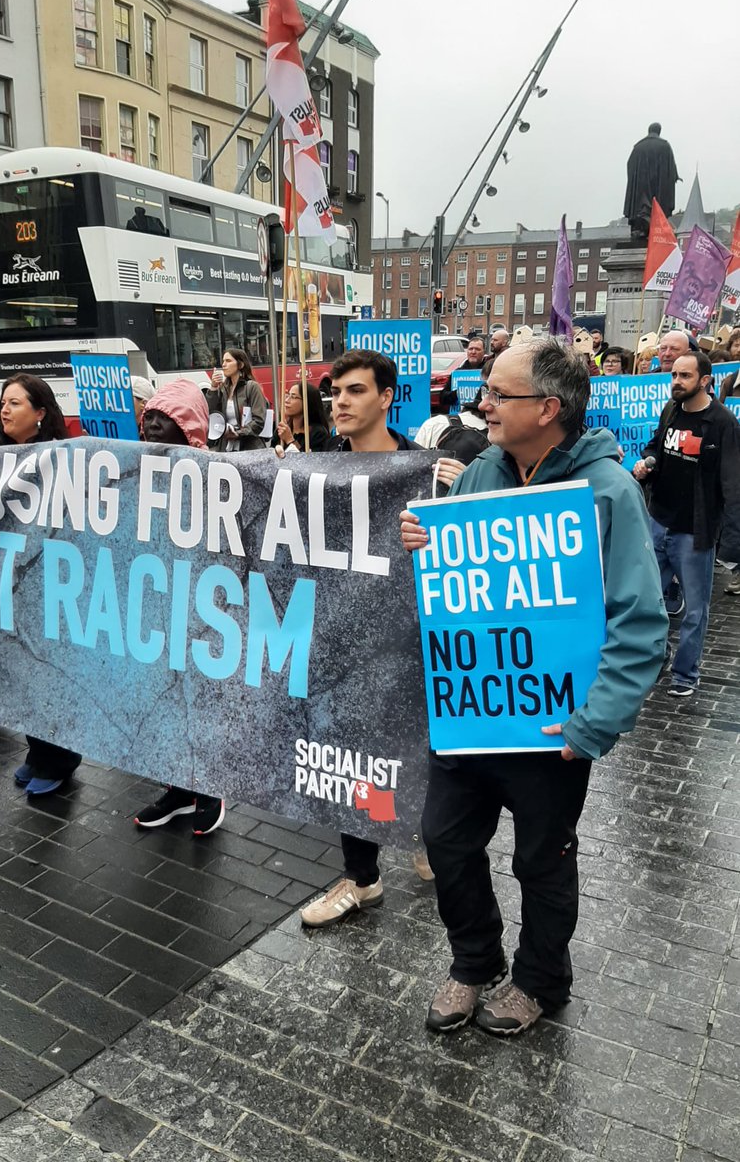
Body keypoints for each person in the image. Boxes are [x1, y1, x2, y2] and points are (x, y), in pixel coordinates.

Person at [400, 338, 667, 1037]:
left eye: (498, 393)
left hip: (552, 729)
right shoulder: (479, 474)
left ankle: (540, 980)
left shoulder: (608, 492)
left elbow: (641, 624)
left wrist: (595, 722)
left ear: (548, 408)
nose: (482, 403)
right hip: (471, 713)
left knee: (542, 861)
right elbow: (449, 591)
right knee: (446, 842)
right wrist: (422, 545)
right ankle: (474, 960)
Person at [300, 349, 424, 928]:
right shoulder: (319, 467)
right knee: (351, 756)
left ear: (386, 398)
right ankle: (362, 877)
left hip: (408, 644)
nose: (340, 403)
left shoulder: (424, 470)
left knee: (415, 750)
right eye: (335, 393)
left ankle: (421, 832)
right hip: (343, 644)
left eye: (355, 391)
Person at [131, 379, 226, 836]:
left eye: (163, 418)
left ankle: (209, 790)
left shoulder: (218, 475)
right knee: (164, 702)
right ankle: (177, 788)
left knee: (200, 702)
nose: (150, 424)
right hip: (156, 608)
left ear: (188, 427)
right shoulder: (136, 470)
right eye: (148, 416)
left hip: (203, 612)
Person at [0, 374, 83, 795]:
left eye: (15, 403)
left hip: (54, 581)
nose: (4, 410)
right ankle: (38, 750)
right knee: (23, 668)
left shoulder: (64, 458)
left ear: (41, 412)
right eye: (2, 403)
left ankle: (60, 758)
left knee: (49, 671)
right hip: (17, 582)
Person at [633, 351, 740, 692]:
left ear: (705, 380)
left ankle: (685, 674)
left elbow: (732, 484)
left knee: (695, 610)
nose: (676, 382)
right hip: (658, 521)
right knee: (649, 601)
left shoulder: (723, 423)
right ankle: (657, 656)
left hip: (695, 532)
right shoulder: (671, 409)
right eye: (674, 375)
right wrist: (648, 462)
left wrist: (731, 543)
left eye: (684, 376)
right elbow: (656, 446)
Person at [624, 122, 679, 242]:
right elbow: (671, 168)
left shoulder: (637, 147)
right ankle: (653, 225)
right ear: (659, 131)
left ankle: (640, 228)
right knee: (656, 205)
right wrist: (675, 177)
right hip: (658, 186)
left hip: (640, 187)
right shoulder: (664, 146)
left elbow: (630, 166)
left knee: (641, 206)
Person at [206, 348, 268, 452]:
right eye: (223, 361)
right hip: (227, 448)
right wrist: (213, 387)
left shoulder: (252, 387)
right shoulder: (223, 388)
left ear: (240, 365)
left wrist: (238, 434)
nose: (224, 365)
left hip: (249, 448)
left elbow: (259, 421)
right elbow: (212, 413)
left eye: (228, 361)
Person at [275, 381, 332, 453]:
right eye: (288, 395)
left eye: (293, 397)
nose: (286, 400)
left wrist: (290, 440)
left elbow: (310, 459)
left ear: (307, 401)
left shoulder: (318, 433)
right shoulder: (283, 428)